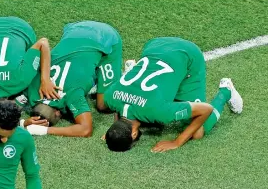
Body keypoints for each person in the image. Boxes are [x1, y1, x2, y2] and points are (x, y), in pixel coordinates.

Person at [98, 37, 243, 152]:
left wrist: (177, 142)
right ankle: (132, 68)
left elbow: (206, 109)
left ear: (134, 134)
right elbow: (118, 109)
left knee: (197, 133)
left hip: (188, 56)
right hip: (155, 45)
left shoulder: (159, 111)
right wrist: (115, 132)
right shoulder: (110, 98)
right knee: (151, 117)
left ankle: (226, 91)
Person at [21, 20, 123, 137]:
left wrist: (43, 131)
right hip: (75, 29)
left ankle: (129, 74)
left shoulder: (72, 95)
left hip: (106, 37)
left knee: (103, 105)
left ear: (58, 112)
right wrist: (23, 123)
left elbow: (86, 130)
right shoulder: (32, 88)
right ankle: (94, 80)